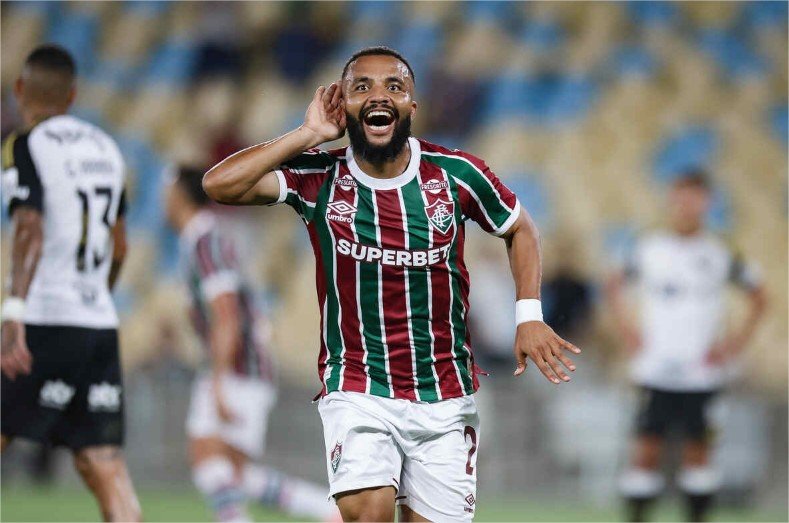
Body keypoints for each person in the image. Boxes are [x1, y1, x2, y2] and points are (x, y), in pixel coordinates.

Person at [202, 46, 580, 522]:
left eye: (394, 87)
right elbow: (220, 185)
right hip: (358, 386)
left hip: (444, 394)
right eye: (362, 87)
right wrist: (308, 134)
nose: (379, 95)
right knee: (369, 512)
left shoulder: (456, 175)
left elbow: (519, 227)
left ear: (411, 108)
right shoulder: (320, 175)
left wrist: (529, 316)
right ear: (344, 104)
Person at [0, 44, 141, 521]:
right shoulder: (106, 148)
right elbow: (120, 248)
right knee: (103, 461)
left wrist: (13, 311)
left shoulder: (25, 144)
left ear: (20, 90)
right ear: (73, 94)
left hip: (44, 316)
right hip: (97, 323)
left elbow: (30, 226)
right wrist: (99, 294)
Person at [165, 166, 339, 522]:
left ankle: (321, 510)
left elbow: (227, 315)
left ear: (180, 196)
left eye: (166, 191)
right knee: (231, 471)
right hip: (241, 367)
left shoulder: (205, 241)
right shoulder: (199, 241)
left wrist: (217, 382)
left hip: (239, 367)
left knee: (209, 460)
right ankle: (327, 510)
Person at [606, 172, 767, 522]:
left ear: (708, 202)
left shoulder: (721, 250)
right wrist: (628, 330)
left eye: (696, 198)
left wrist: (733, 344)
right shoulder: (648, 246)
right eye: (681, 197)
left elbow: (760, 296)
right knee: (646, 451)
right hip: (654, 367)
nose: (687, 206)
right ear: (671, 199)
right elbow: (614, 284)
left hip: (702, 372)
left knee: (699, 453)